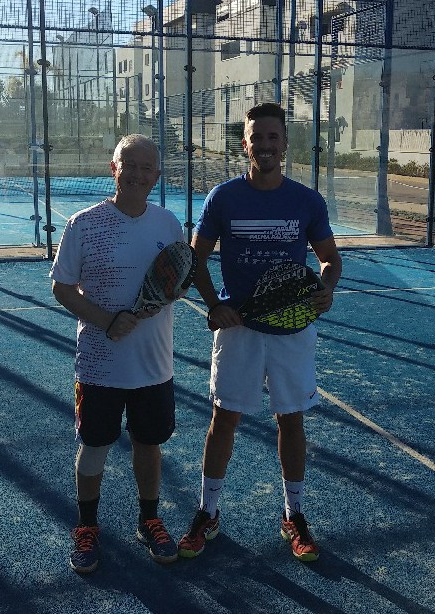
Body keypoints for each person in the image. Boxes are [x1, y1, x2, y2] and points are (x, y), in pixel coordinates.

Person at [177, 102, 342, 562]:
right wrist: (215, 305)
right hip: (239, 330)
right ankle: (208, 511)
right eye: (257, 137)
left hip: (292, 329)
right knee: (224, 418)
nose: (265, 145)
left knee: (291, 419)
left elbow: (330, 260)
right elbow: (195, 258)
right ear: (245, 144)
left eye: (273, 137)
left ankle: (294, 515)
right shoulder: (223, 198)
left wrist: (326, 288)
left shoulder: (307, 201)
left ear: (284, 143)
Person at [50, 134, 184, 573]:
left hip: (154, 365)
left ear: (157, 176)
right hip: (99, 366)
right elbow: (62, 288)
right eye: (130, 164)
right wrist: (107, 320)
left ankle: (149, 520)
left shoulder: (168, 224)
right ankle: (87, 527)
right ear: (114, 169)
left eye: (147, 167)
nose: (138, 174)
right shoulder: (84, 224)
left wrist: (161, 299)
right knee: (94, 447)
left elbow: (176, 281)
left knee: (149, 445)